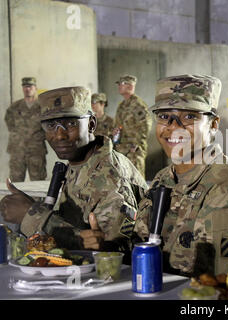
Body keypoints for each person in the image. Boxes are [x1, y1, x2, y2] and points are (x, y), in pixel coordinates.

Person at [133, 74, 228, 277]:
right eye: (164, 117)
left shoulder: (226, 185)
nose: (173, 127)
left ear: (213, 125)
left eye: (189, 117)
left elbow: (224, 282)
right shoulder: (163, 178)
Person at [0, 86, 148, 255]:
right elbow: (77, 226)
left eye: (71, 124)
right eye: (50, 126)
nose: (60, 135)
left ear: (91, 124)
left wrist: (32, 215)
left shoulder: (109, 175)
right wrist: (32, 207)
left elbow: (111, 253)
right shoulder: (81, 161)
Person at [4, 77, 47, 182]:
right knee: (15, 181)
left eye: (30, 86)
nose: (27, 89)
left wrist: (39, 136)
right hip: (18, 149)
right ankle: (17, 199)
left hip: (36, 149)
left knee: (38, 180)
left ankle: (37, 199)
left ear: (35, 88)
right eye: (25, 87)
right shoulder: (15, 106)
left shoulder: (42, 107)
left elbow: (48, 125)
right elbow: (9, 121)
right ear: (22, 88)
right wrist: (18, 135)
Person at [113, 75, 152, 178]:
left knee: (136, 179)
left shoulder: (138, 105)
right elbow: (117, 125)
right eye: (119, 84)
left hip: (134, 150)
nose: (119, 87)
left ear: (130, 87)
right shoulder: (121, 105)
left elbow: (145, 126)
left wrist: (136, 145)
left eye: (122, 84)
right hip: (122, 149)